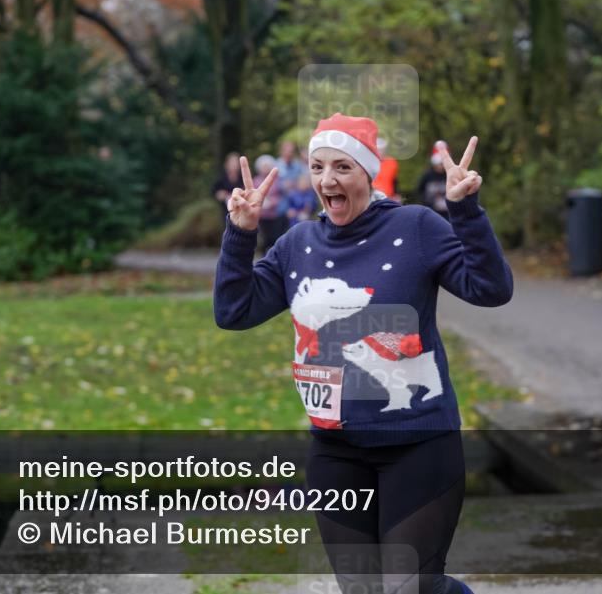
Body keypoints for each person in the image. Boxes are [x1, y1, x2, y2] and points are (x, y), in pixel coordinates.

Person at [214, 113, 513, 594]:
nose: (327, 180)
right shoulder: (297, 244)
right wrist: (241, 234)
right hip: (336, 452)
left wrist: (466, 212)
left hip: (418, 445)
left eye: (342, 167)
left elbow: (490, 289)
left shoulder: (416, 227)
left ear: (369, 172)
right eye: (317, 167)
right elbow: (233, 311)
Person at [253, 154, 286, 253]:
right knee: (264, 238)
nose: (265, 168)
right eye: (263, 166)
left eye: (267, 166)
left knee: (274, 237)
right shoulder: (256, 180)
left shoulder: (277, 180)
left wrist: (272, 202)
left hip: (275, 214)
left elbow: (281, 195)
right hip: (261, 215)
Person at [416, 141, 450, 219]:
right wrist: (426, 203)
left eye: (443, 163)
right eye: (440, 163)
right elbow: (419, 191)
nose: (441, 166)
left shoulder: (449, 175)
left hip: (448, 214)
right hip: (432, 213)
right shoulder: (427, 176)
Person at [211, 152, 244, 217]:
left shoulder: (243, 178)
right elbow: (214, 191)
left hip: (240, 209)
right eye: (232, 162)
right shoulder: (221, 178)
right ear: (227, 164)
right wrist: (219, 194)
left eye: (236, 162)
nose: (234, 164)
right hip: (225, 210)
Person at [372, 137, 400, 201]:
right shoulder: (368, 162)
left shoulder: (392, 162)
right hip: (372, 197)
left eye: (382, 150)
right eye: (378, 150)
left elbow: (394, 180)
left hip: (388, 197)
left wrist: (396, 194)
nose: (380, 152)